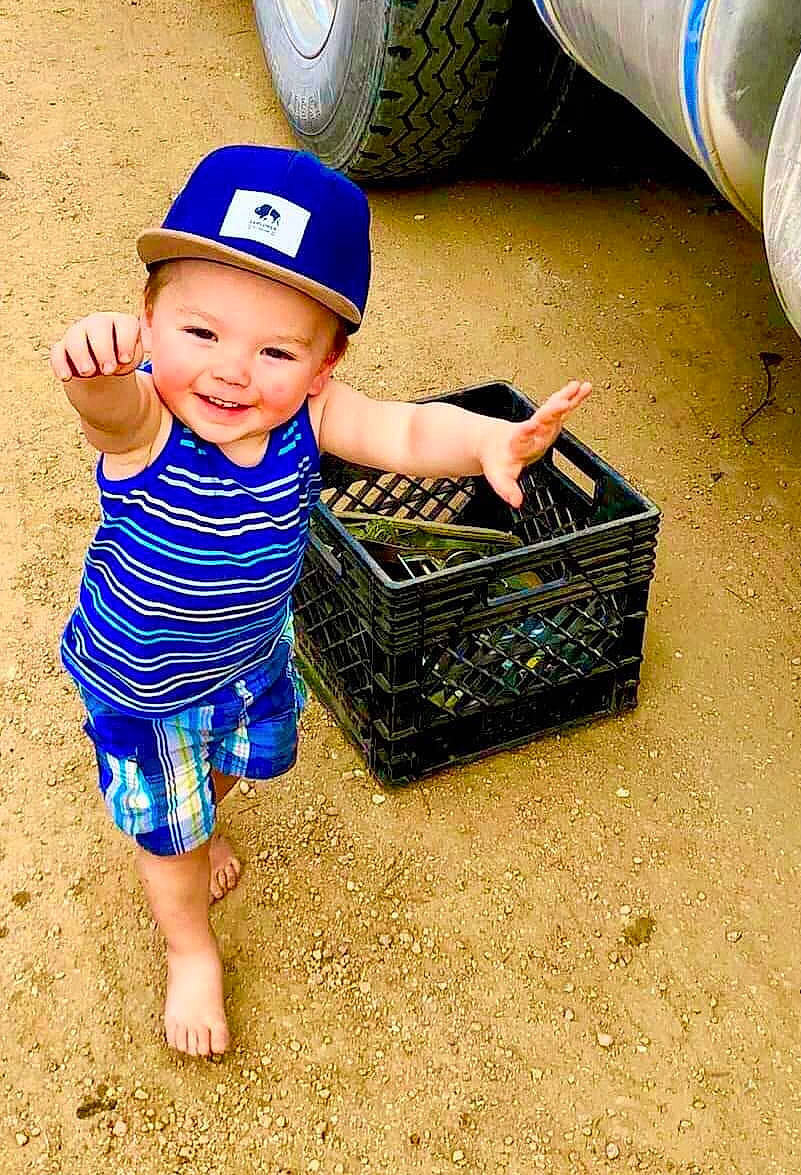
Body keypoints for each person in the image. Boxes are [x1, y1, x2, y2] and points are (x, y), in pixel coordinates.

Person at [52, 144, 590, 1059]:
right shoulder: (149, 426)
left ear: (324, 365)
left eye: (275, 349)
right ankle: (189, 947)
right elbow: (108, 414)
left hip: (250, 653)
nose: (231, 373)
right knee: (167, 832)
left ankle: (203, 814)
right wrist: (96, 371)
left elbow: (410, 427)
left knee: (237, 766)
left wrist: (496, 441)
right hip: (144, 683)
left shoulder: (310, 416)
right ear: (148, 320)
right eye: (201, 334)